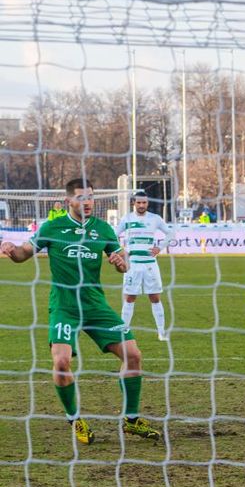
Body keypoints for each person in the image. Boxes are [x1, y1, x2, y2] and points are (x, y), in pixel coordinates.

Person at [0, 178, 162, 444]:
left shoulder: (103, 229)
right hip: (65, 306)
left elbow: (124, 263)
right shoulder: (53, 227)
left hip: (95, 305)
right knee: (61, 362)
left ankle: (131, 420)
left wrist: (121, 262)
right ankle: (75, 419)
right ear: (69, 201)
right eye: (81, 197)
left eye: (90, 197)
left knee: (133, 355)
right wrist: (10, 250)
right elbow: (23, 254)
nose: (87, 202)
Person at [115, 189, 175, 341]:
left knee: (155, 297)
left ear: (147, 203)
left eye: (144, 202)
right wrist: (121, 250)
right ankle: (124, 331)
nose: (142, 205)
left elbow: (170, 234)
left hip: (150, 264)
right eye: (139, 202)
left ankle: (161, 332)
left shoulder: (155, 218)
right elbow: (113, 234)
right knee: (129, 298)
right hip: (132, 265)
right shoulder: (127, 218)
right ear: (133, 203)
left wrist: (159, 248)